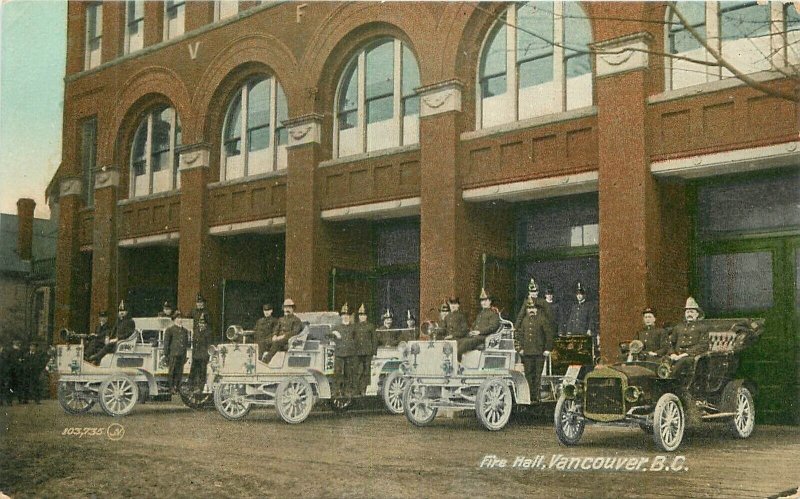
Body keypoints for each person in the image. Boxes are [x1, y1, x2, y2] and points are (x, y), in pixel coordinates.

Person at [518, 299, 554, 402]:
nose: (531, 310)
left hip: (539, 352)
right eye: (529, 308)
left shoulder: (542, 319)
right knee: (528, 374)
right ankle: (530, 396)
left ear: (537, 309)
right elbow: (520, 335)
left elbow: (549, 335)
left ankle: (537, 397)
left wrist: (547, 349)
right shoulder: (524, 321)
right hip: (527, 352)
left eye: (533, 308)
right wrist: (520, 348)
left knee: (538, 375)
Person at [669, 297, 710, 386]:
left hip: (691, 357)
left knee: (681, 363)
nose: (689, 314)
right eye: (687, 312)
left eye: (692, 312)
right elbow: (671, 344)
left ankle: (671, 385)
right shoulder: (678, 327)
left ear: (697, 314)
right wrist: (672, 354)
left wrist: (683, 355)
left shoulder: (703, 327)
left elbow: (703, 345)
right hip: (676, 355)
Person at [457, 289, 500, 360]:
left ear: (490, 301)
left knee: (465, 344)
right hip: (476, 337)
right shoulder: (481, 313)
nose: (484, 303)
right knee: (459, 342)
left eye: (486, 300)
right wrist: (472, 331)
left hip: (484, 337)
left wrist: (479, 332)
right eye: (482, 301)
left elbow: (493, 327)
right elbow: (475, 325)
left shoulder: (493, 314)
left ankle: (457, 362)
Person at [264, 298, 304, 363]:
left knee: (277, 343)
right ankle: (259, 361)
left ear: (293, 309)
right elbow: (276, 329)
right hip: (278, 338)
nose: (287, 309)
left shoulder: (296, 320)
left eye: (289, 308)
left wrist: (283, 336)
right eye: (285, 308)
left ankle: (266, 360)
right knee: (264, 341)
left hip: (287, 340)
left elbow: (294, 332)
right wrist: (274, 335)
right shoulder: (281, 319)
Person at [331, 303, 357, 397]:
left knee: (348, 373)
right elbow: (328, 335)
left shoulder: (353, 328)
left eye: (348, 315)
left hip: (350, 354)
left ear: (350, 317)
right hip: (339, 353)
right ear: (341, 316)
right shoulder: (337, 327)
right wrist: (334, 333)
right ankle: (336, 391)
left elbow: (357, 339)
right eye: (344, 315)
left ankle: (347, 391)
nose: (346, 317)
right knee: (337, 373)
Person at [189, 294, 213, 391]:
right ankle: (192, 386)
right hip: (196, 352)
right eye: (198, 303)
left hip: (203, 354)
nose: (199, 304)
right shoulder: (193, 312)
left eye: (201, 303)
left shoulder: (207, 313)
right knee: (194, 370)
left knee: (202, 370)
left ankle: (201, 387)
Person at [163, 310, 190, 394]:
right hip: (173, 354)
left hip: (181, 354)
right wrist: (166, 355)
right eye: (178, 318)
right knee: (172, 371)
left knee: (179, 372)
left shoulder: (185, 331)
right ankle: (171, 387)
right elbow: (166, 343)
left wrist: (185, 355)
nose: (180, 320)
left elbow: (185, 344)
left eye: (181, 318)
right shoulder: (170, 330)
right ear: (174, 320)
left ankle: (177, 387)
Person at [353, 304, 376, 395]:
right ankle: (356, 389)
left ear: (366, 316)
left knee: (366, 372)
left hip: (367, 352)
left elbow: (374, 339)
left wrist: (374, 352)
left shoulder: (370, 326)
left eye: (364, 315)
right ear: (359, 316)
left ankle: (364, 389)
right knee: (357, 371)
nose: (362, 317)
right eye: (361, 315)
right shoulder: (355, 326)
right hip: (357, 352)